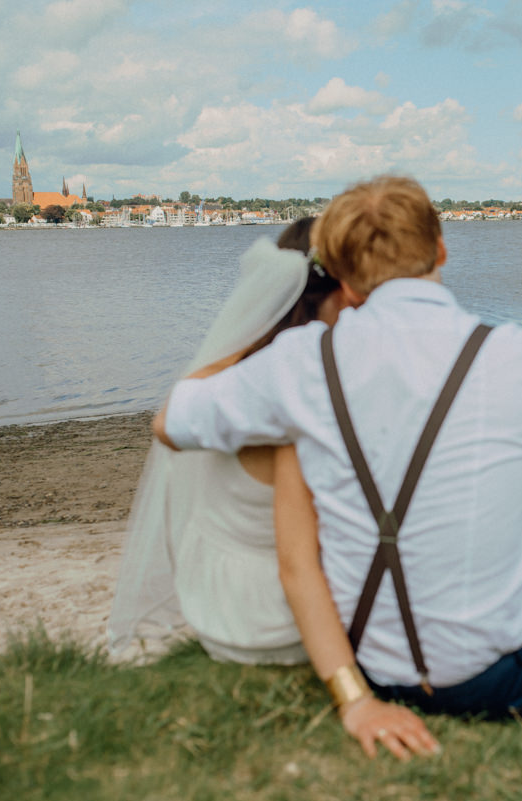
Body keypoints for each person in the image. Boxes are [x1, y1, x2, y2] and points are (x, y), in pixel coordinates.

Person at [153, 175, 522, 758]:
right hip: (506, 679)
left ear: (344, 274)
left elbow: (170, 421)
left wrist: (261, 317)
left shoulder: (303, 361)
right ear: (441, 249)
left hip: (375, 667)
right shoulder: (521, 354)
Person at [108, 218, 344, 664]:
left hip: (218, 607)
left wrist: (254, 332)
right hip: (283, 617)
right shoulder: (303, 377)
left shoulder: (230, 383)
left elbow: (168, 419)